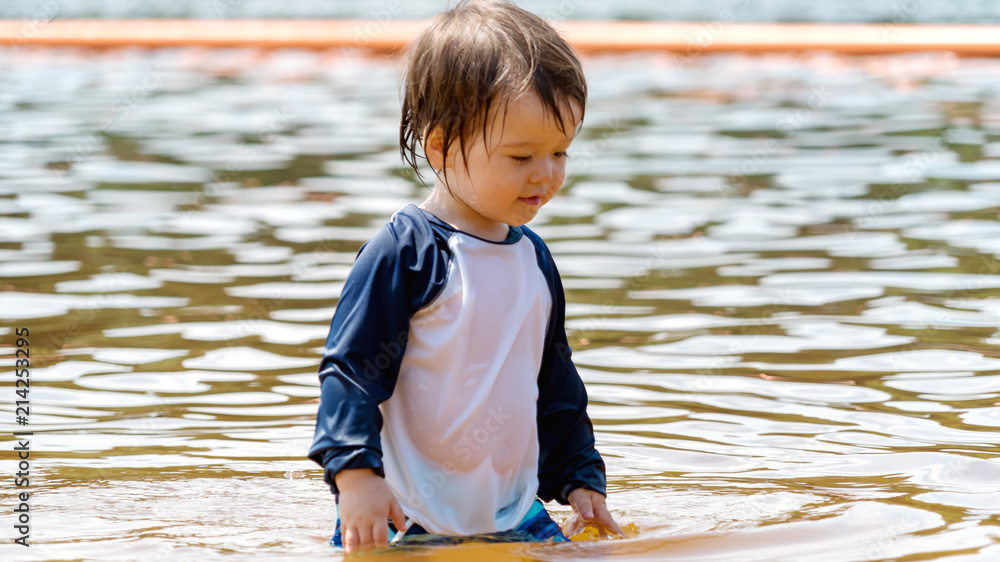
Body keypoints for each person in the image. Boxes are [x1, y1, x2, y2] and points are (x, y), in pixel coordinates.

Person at [307, 0, 623, 552]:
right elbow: (352, 372)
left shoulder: (533, 259)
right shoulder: (406, 253)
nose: (546, 175)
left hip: (513, 511)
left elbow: (554, 378)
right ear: (441, 145)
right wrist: (355, 475)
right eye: (521, 156)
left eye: (560, 152)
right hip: (404, 514)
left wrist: (579, 476)